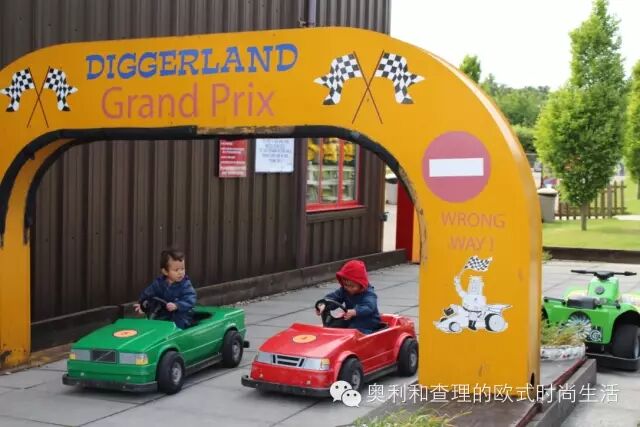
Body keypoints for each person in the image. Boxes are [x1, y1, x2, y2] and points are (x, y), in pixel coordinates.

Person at [134, 248, 196, 329]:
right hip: (163, 314)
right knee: (153, 319)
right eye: (176, 270)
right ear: (165, 271)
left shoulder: (185, 285)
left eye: (182, 269)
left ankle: (177, 333)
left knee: (180, 321)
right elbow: (147, 293)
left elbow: (190, 299)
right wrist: (141, 304)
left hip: (181, 315)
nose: (180, 272)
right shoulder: (159, 283)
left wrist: (177, 305)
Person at [316, 259, 381, 334]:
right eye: (345, 285)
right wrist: (324, 304)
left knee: (355, 331)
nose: (348, 288)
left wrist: (355, 311)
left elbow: (369, 306)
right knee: (333, 326)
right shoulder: (344, 290)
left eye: (352, 286)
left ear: (361, 284)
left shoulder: (369, 294)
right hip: (351, 319)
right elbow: (334, 297)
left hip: (368, 323)